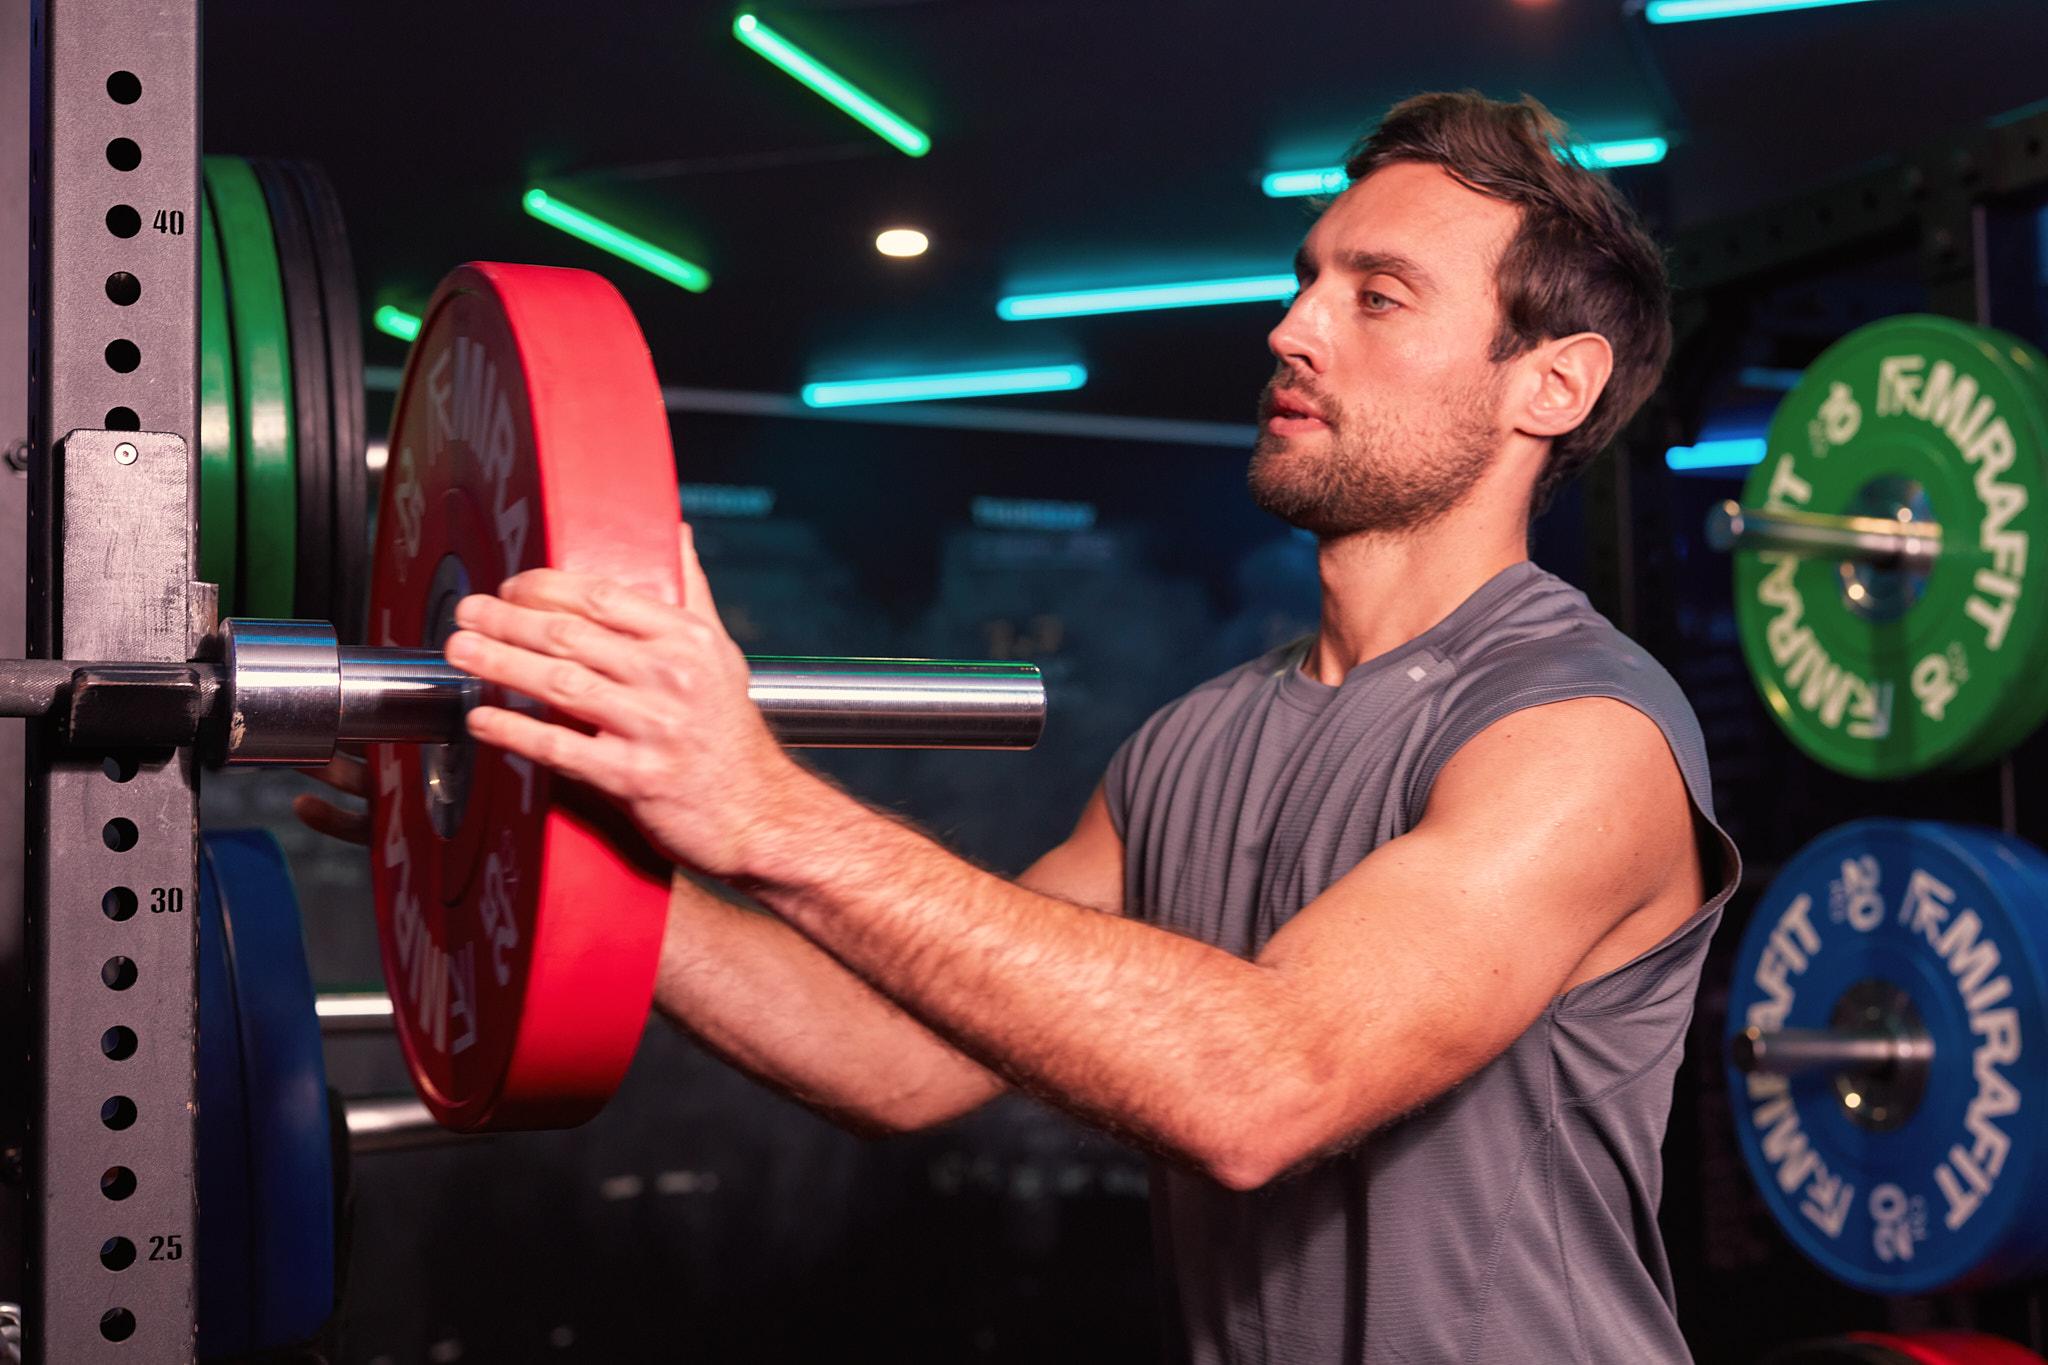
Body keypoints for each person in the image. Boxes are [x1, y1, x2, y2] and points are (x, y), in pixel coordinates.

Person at [305, 92, 1739, 1364]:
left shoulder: (1580, 735)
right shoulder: (1193, 744)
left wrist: (761, 804)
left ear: (1551, 383)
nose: (1289, 327)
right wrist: (549, 818)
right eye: (1308, 279)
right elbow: (896, 1056)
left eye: (1378, 296)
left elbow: (1263, 1082)